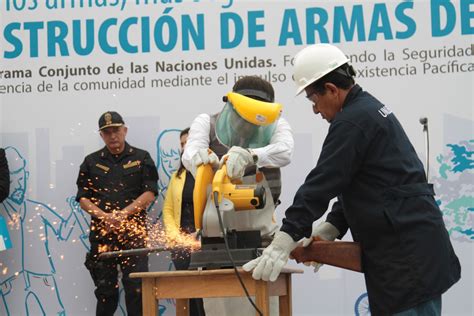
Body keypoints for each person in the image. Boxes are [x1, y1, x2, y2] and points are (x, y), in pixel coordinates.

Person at [243, 44, 461, 315]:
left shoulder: (352, 122)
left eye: (314, 100)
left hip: (407, 257)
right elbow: (366, 183)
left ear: (332, 90)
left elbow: (321, 184)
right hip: (410, 251)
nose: (315, 110)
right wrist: (331, 227)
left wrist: (284, 240)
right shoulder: (368, 110)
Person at [182, 75, 294, 315]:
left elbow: (285, 152)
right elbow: (190, 151)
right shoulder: (207, 122)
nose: (249, 123)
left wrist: (251, 156)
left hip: (261, 244)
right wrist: (201, 159)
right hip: (216, 243)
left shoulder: (278, 125)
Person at [75, 111, 158, 316]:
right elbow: (83, 198)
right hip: (102, 237)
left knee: (136, 291)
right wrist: (105, 217)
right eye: (107, 132)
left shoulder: (142, 157)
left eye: (116, 130)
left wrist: (123, 214)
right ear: (101, 135)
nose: (113, 136)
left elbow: (150, 193)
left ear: (125, 130)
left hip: (134, 237)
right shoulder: (91, 161)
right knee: (105, 294)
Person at [162, 127, 205, 316]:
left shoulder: (211, 171)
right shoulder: (177, 176)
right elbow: (168, 209)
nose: (184, 146)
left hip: (205, 243)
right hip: (181, 245)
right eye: (181, 144)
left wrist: (201, 233)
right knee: (188, 294)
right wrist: (174, 236)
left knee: (206, 294)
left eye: (188, 142)